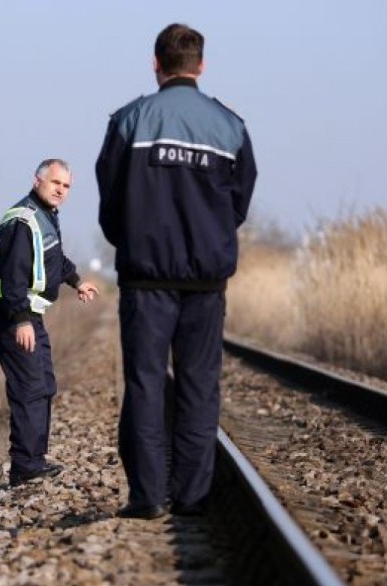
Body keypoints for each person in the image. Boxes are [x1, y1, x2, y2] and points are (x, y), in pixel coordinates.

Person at [97, 23, 258, 519]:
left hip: (146, 279)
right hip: (206, 281)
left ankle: (146, 497)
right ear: (200, 65)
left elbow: (110, 200)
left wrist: (133, 240)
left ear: (156, 63)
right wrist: (207, 240)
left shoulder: (130, 120)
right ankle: (191, 497)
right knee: (198, 383)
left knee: (145, 383)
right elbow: (240, 200)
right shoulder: (230, 127)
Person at [0, 159, 99, 487]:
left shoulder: (45, 216)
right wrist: (21, 320)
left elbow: (53, 258)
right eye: (55, 183)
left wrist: (76, 280)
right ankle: (25, 466)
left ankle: (35, 458)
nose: (61, 190)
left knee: (44, 383)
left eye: (66, 186)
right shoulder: (24, 220)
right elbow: (14, 274)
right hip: (13, 314)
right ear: (37, 181)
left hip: (29, 314)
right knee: (29, 386)